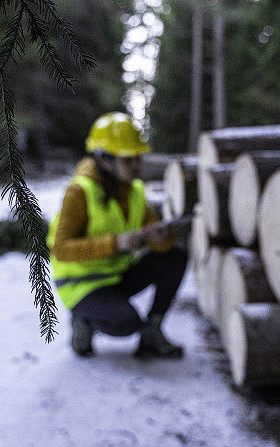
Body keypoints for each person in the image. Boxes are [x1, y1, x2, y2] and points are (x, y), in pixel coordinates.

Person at [47, 112, 188, 358]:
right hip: (82, 286)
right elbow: (60, 248)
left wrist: (160, 237)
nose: (136, 165)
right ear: (104, 160)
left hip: (117, 276)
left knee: (175, 257)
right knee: (126, 322)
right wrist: (116, 243)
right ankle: (84, 321)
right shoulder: (79, 191)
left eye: (137, 158)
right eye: (127, 159)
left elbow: (158, 240)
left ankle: (151, 332)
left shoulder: (134, 190)